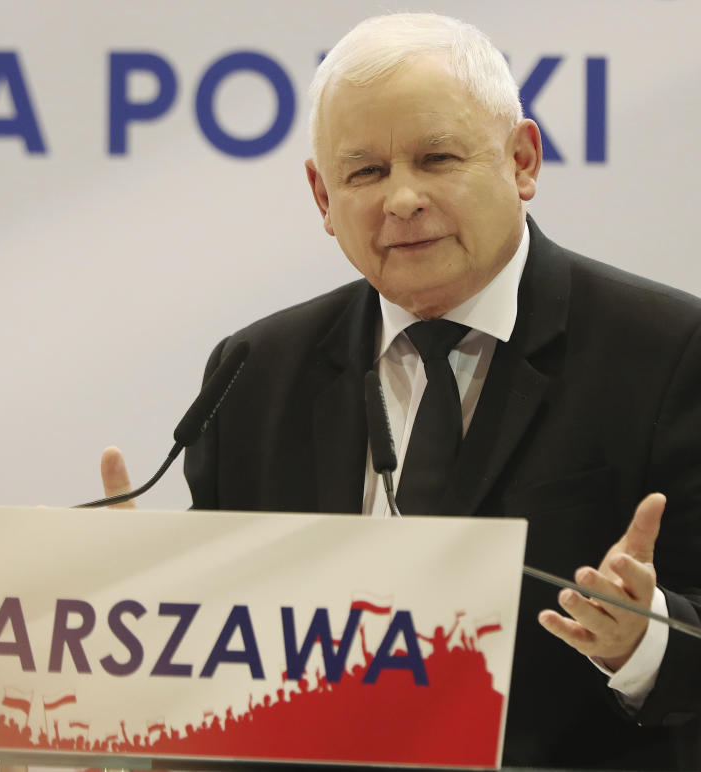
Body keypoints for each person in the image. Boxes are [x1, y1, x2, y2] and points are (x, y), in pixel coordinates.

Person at [101, 13, 701, 770]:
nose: (403, 199)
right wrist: (135, 610)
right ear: (322, 196)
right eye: (366, 173)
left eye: (437, 157)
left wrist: (643, 638)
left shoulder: (671, 353)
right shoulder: (254, 371)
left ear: (522, 160)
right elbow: (225, 661)